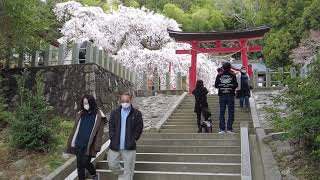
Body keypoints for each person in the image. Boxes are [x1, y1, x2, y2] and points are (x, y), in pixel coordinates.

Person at [66, 94, 106, 180]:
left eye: (87, 103)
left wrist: (97, 146)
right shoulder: (80, 114)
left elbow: (99, 133)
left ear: (91, 103)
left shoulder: (98, 115)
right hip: (78, 143)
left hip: (89, 145)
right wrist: (72, 142)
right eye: (84, 103)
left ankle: (94, 173)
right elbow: (75, 129)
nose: (85, 105)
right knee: (79, 166)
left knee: (85, 162)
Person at [108, 92, 144, 180]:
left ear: (131, 100)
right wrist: (112, 137)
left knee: (129, 170)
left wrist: (134, 138)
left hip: (129, 146)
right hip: (115, 145)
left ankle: (125, 176)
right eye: (123, 101)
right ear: (120, 100)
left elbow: (139, 127)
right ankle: (122, 173)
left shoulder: (137, 113)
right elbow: (111, 126)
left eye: (127, 100)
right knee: (112, 165)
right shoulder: (114, 113)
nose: (125, 102)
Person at [215, 62, 238, 133]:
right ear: (230, 67)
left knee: (222, 112)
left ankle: (222, 129)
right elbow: (236, 85)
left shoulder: (219, 75)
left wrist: (222, 86)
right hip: (230, 95)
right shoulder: (233, 75)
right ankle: (229, 129)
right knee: (231, 112)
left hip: (222, 95)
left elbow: (216, 85)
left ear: (223, 68)